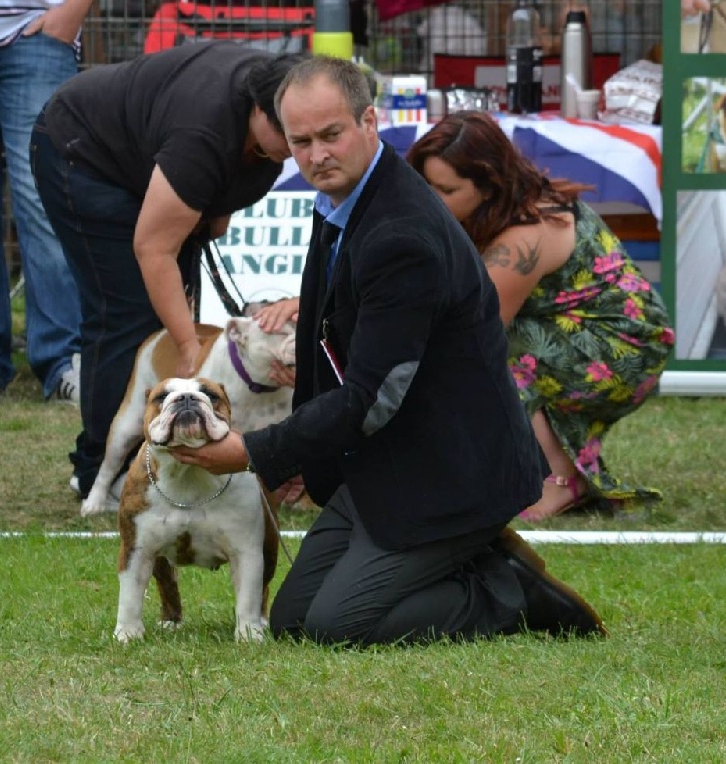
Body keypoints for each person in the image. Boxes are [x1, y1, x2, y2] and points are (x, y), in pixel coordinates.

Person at [170, 55, 606, 646]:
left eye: (331, 134)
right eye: (301, 141)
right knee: (293, 622)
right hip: (385, 465)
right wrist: (300, 451)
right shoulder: (345, 202)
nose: (317, 154)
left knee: (336, 628)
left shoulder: (400, 235)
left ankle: (505, 592)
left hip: (452, 475)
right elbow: (325, 350)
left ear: (369, 121)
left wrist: (257, 451)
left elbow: (371, 399)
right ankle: (464, 561)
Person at [30, 42, 307, 500]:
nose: (302, 147)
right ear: (259, 110)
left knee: (179, 300)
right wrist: (184, 347)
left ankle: (175, 454)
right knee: (128, 312)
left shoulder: (263, 126)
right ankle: (101, 466)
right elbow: (153, 247)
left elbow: (210, 216)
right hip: (83, 151)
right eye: (293, 136)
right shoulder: (205, 132)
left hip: (151, 160)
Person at [405, 111, 674, 523]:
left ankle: (561, 482)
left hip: (626, 344)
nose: (429, 199)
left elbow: (471, 335)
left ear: (488, 186)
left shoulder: (524, 235)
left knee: (492, 346)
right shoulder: (495, 209)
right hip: (578, 329)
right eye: (424, 185)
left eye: (445, 189)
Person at [0, 0, 85, 402]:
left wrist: (74, 9)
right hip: (37, 33)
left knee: (44, 200)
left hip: (38, 30)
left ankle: (63, 359)